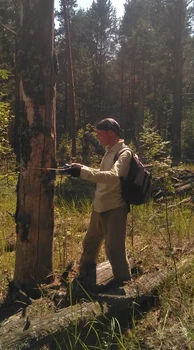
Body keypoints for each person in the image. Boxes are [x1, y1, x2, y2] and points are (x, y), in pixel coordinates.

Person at [63, 118, 132, 290]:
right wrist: (79, 167)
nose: (98, 138)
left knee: (114, 250)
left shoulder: (124, 153)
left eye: (100, 134)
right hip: (99, 206)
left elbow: (113, 176)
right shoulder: (109, 151)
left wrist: (83, 172)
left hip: (115, 207)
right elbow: (102, 173)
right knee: (90, 243)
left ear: (111, 133)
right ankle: (85, 276)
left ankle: (124, 286)